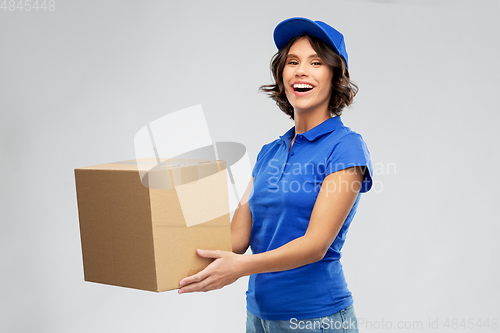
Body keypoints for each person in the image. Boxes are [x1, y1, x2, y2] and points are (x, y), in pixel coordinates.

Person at [178, 17, 373, 333]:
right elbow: (237, 239)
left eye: (316, 62)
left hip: (315, 320)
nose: (301, 70)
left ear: (335, 75)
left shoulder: (346, 147)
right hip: (259, 318)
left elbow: (315, 245)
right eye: (292, 61)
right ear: (281, 76)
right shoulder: (269, 152)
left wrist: (241, 269)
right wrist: (165, 243)